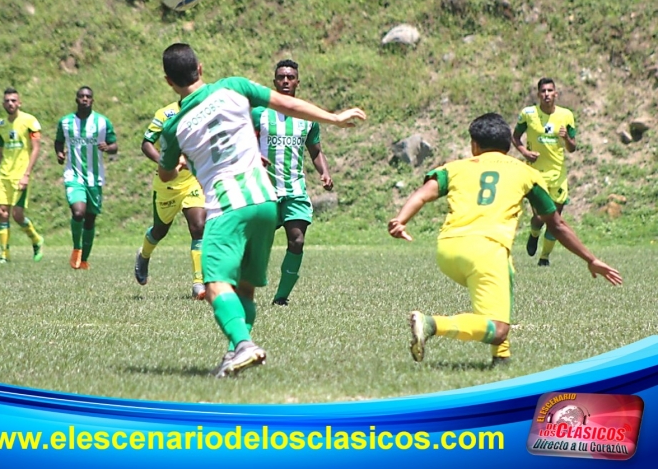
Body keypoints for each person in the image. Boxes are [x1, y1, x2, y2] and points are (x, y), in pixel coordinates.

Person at [156, 43, 365, 378]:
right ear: (201, 67)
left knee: (215, 285)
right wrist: (334, 118)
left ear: (169, 81)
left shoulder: (173, 128)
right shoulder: (234, 87)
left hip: (227, 207)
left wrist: (181, 160)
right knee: (246, 288)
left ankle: (242, 344)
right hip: (266, 201)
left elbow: (166, 173)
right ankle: (234, 353)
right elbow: (288, 105)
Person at [388, 113, 621, 366]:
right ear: (509, 146)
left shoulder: (455, 167)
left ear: (474, 145)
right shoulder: (525, 173)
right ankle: (431, 324)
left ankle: (501, 357)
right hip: (486, 252)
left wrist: (400, 220)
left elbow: (423, 194)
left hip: (449, 249)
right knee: (498, 329)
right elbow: (557, 224)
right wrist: (591, 259)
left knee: (507, 271)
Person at [251, 60, 333, 306]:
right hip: (264, 191)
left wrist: (325, 173)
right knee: (255, 245)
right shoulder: (259, 112)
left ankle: (281, 298)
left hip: (295, 190)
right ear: (274, 81)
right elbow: (242, 139)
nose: (285, 81)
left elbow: (315, 150)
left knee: (297, 240)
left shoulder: (308, 116)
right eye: (281, 77)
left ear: (297, 81)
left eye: (290, 77)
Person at [134, 99, 207, 299]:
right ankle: (144, 255)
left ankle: (198, 284)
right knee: (160, 230)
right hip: (167, 184)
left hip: (192, 181)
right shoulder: (165, 114)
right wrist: (165, 163)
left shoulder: (204, 111)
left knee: (199, 226)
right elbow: (146, 143)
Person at [512, 78, 577, 266]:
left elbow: (572, 148)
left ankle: (544, 258)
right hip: (535, 175)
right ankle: (533, 234)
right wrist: (524, 151)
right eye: (543, 91)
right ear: (538, 94)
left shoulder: (566, 115)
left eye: (550, 91)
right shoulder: (528, 114)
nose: (547, 94)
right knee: (540, 218)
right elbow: (515, 137)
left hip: (557, 175)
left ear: (556, 93)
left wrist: (567, 139)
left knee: (555, 221)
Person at [54, 86, 118, 270]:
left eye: (88, 96)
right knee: (78, 213)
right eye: (81, 96)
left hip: (94, 178)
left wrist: (108, 147)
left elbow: (115, 146)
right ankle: (76, 248)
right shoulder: (66, 122)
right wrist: (59, 153)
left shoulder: (102, 122)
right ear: (76, 99)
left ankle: (84, 260)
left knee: (90, 219)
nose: (84, 99)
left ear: (92, 100)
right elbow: (58, 141)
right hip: (73, 176)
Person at [0, 87, 44, 263]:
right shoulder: (1, 124)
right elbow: (1, 149)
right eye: (7, 100)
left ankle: (36, 240)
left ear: (19, 102)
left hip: (20, 174)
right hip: (4, 175)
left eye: (13, 100)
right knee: (2, 213)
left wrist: (27, 174)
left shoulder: (29, 121)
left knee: (17, 215)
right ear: (3, 103)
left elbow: (36, 147)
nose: (10, 103)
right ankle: (4, 254)